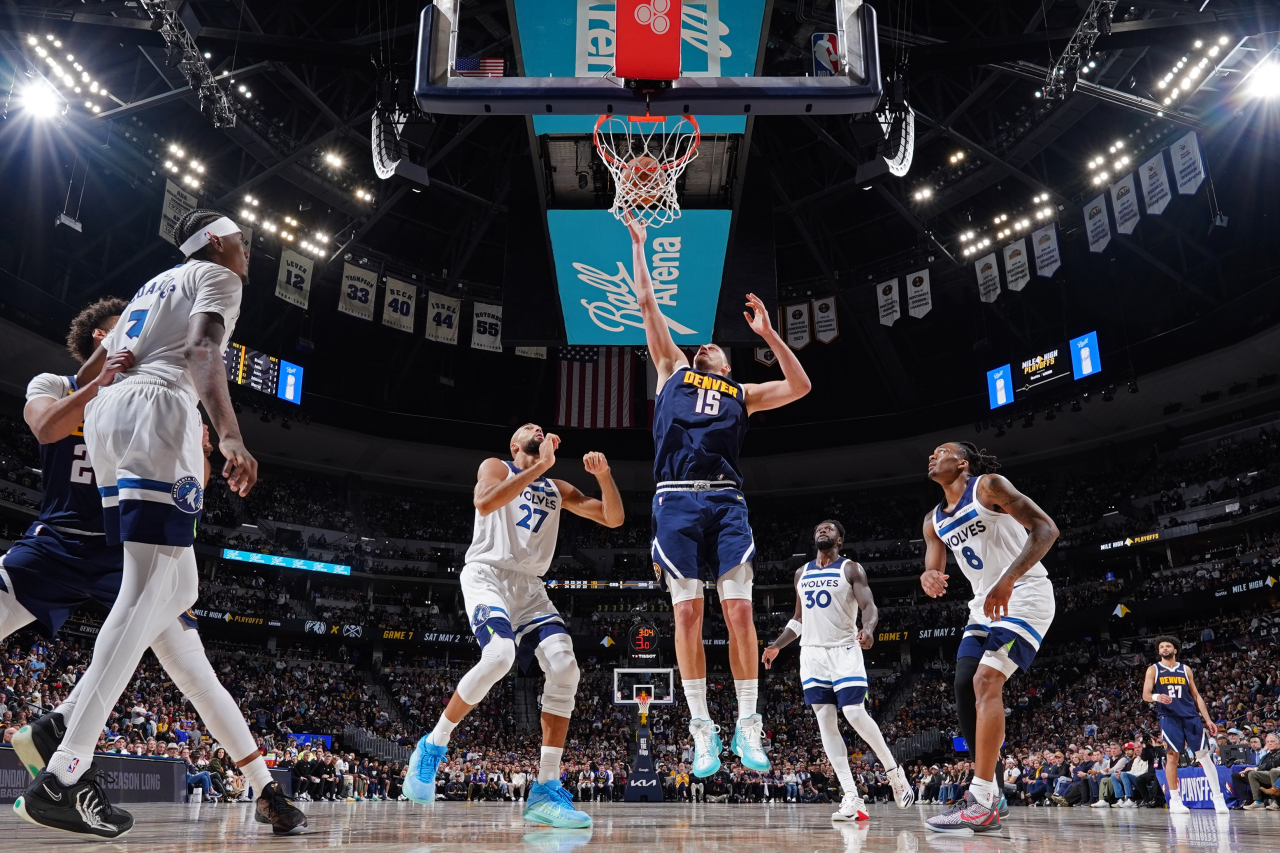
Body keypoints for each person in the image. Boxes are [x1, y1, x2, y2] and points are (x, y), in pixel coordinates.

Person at [4, 291, 304, 838]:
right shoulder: (54, 383)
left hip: (127, 550)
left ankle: (266, 788)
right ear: (105, 337)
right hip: (60, 543)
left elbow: (192, 490)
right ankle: (60, 736)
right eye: (132, 327)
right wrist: (98, 385)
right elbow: (45, 427)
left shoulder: (160, 397)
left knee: (195, 671)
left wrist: (201, 452)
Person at [625, 213, 811, 779]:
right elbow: (648, 306)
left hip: (727, 501)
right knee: (687, 613)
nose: (705, 342)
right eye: (701, 343)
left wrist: (769, 335)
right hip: (676, 499)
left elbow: (800, 386)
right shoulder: (672, 370)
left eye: (716, 345)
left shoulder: (742, 391)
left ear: (726, 364)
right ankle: (702, 727)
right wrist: (639, 244)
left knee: (739, 611)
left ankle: (748, 721)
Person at [403, 424, 623, 829]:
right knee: (500, 655)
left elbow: (613, 518)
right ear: (514, 444)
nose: (538, 428)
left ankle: (545, 789)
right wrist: (540, 467)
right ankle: (432, 745)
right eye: (529, 427)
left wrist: (604, 475)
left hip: (530, 588)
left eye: (541, 427)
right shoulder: (496, 467)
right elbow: (485, 503)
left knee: (566, 668)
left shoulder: (556, 487)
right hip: (487, 574)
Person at [919, 442, 1058, 833]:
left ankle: (980, 799)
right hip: (983, 606)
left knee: (986, 680)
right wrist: (928, 575)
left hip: (1024, 593)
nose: (932, 456)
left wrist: (1009, 578)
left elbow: (1046, 529)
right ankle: (992, 790)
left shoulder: (989, 486)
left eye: (941, 451)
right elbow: (934, 563)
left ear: (962, 462)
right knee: (964, 684)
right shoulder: (933, 521)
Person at [762, 520, 914, 822]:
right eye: (819, 528)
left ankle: (893, 771)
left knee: (855, 713)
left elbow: (869, 606)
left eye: (829, 528)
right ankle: (852, 797)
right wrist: (777, 645)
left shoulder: (851, 569)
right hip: (812, 654)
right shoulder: (801, 573)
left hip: (844, 649)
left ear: (840, 539)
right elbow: (798, 619)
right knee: (825, 723)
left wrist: (868, 628)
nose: (823, 530)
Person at [1142, 634, 1229, 814]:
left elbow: (1196, 696)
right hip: (1169, 717)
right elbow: (1146, 694)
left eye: (1167, 646)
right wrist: (1157, 697)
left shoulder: (1185, 669)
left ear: (1175, 650)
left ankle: (1218, 798)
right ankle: (1175, 800)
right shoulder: (1153, 669)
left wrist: (1208, 719)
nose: (1164, 649)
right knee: (1172, 756)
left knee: (1204, 756)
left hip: (1190, 716)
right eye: (1161, 647)